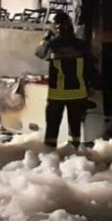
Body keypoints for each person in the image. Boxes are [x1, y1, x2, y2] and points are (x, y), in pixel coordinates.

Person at [35, 11, 94, 148]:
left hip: (57, 94)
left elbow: (38, 52)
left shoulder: (52, 45)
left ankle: (50, 154)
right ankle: (73, 152)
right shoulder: (81, 45)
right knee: (74, 128)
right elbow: (90, 67)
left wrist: (46, 38)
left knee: (52, 127)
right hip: (78, 93)